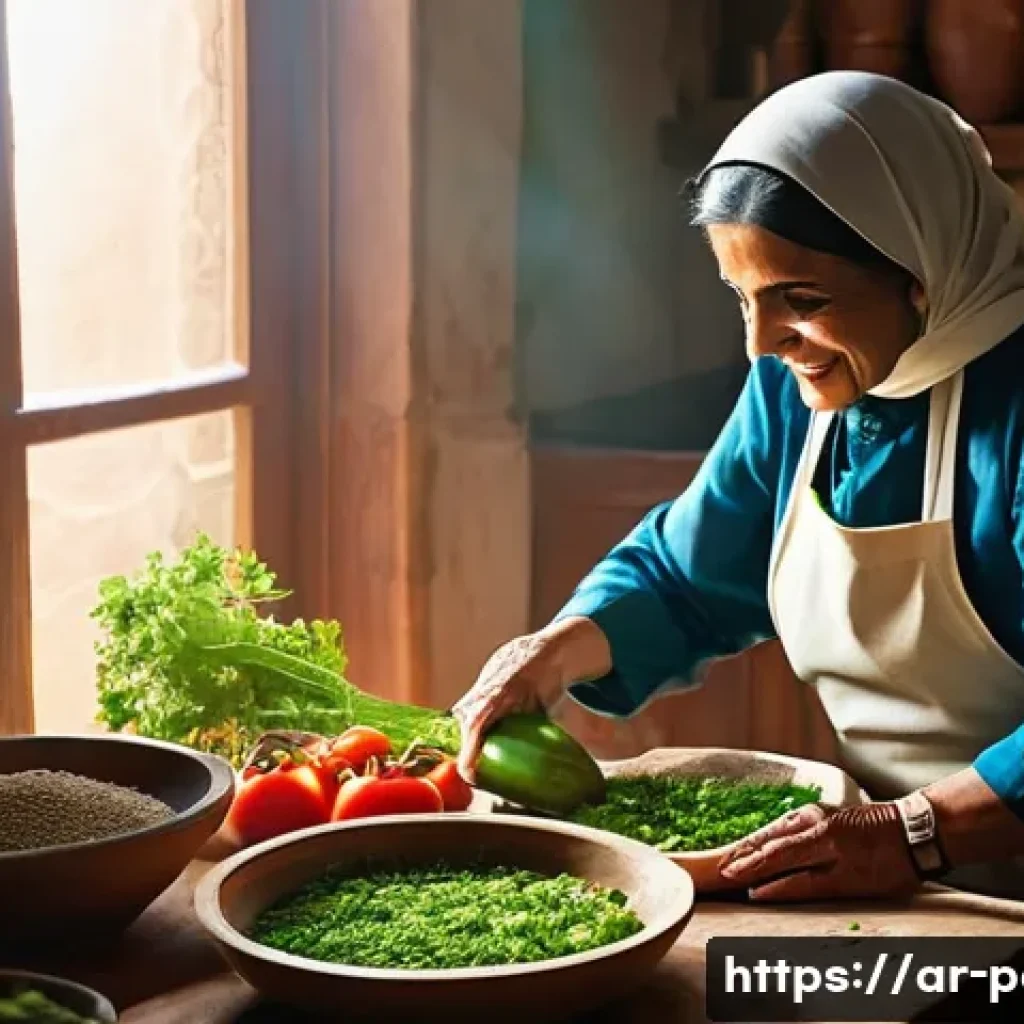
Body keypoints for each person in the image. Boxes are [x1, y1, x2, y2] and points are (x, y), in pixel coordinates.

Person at [453, 71, 1024, 902]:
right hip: (903, 874)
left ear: (922, 267)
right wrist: (552, 651)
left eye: (802, 299)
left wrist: (914, 832)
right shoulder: (805, 386)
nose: (761, 342)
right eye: (741, 296)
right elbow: (689, 572)